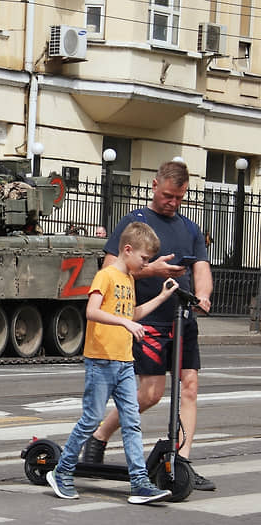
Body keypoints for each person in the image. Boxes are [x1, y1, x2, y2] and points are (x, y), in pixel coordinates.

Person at [82, 160, 215, 492]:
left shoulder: (189, 228)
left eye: (179, 198)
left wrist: (203, 294)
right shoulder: (134, 223)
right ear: (155, 186)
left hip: (182, 319)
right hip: (148, 320)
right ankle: (99, 436)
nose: (172, 202)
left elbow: (201, 266)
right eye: (168, 195)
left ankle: (182, 463)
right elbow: (111, 270)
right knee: (151, 394)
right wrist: (151, 271)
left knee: (190, 387)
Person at [47, 222, 178, 504]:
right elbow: (92, 312)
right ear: (127, 250)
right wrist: (124, 322)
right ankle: (62, 471)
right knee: (91, 420)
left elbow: (133, 313)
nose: (145, 265)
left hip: (124, 362)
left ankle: (140, 484)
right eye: (143, 259)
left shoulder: (129, 279)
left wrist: (162, 297)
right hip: (101, 362)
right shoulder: (106, 276)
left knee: (132, 423)